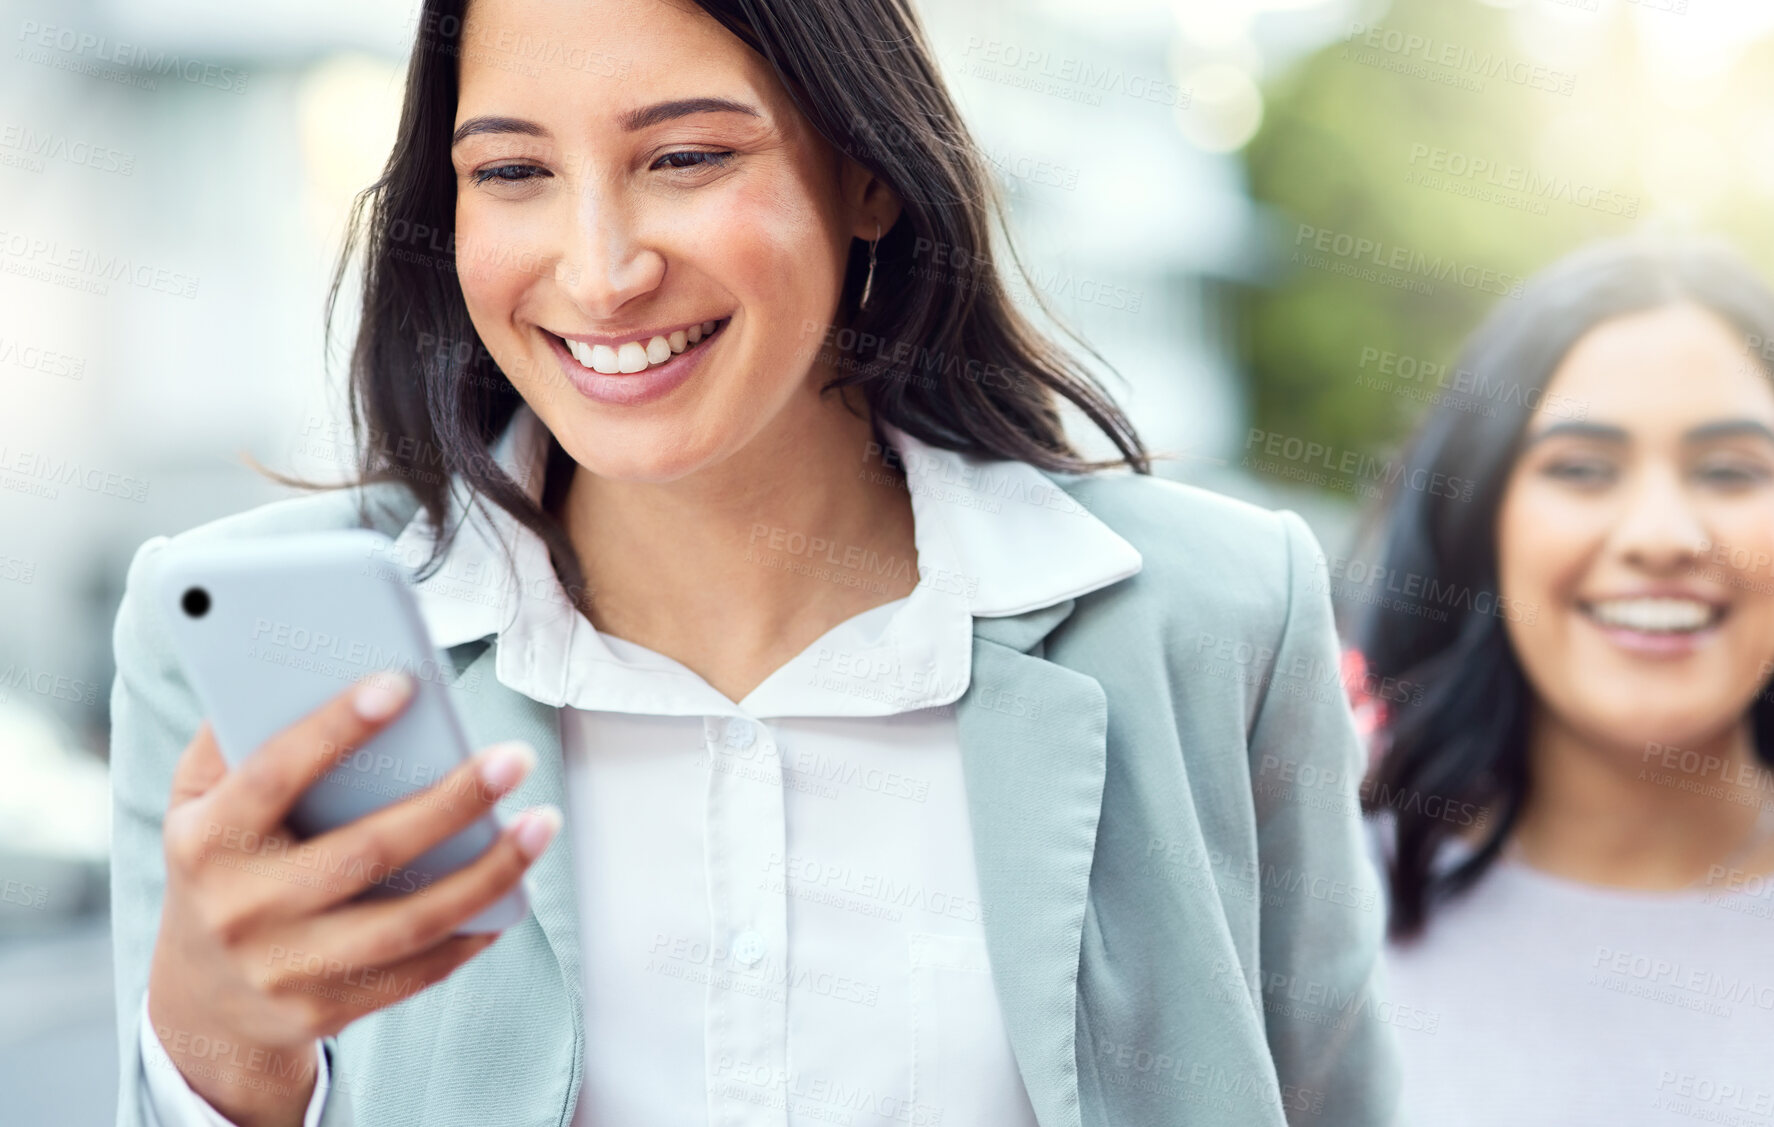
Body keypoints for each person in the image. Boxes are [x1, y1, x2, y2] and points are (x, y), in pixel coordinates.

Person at [109, 1, 1398, 1124]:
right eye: (511, 172)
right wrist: (217, 1047)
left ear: (869, 171)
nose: (601, 270)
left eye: (683, 156)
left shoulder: (1213, 612)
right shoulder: (252, 642)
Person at [1352, 237, 1774, 1126]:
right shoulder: (1305, 896)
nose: (1662, 535)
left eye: (1732, 469)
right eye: (1581, 468)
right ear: (1480, 517)